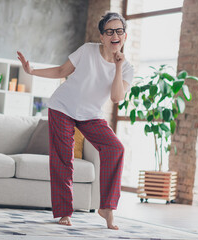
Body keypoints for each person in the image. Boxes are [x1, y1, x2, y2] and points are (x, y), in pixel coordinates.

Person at [17, 12, 134, 230]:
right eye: (109, 31)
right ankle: (64, 212)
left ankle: (107, 207)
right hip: (62, 107)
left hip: (91, 114)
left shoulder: (127, 68)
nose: (114, 35)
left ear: (125, 37)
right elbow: (62, 71)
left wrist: (117, 66)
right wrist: (31, 71)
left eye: (119, 31)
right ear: (102, 37)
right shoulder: (88, 50)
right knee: (64, 158)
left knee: (115, 148)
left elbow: (117, 97)